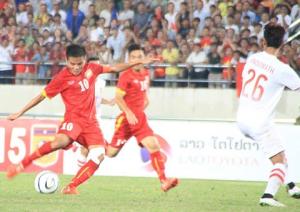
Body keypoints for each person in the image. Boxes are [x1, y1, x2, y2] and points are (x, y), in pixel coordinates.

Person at [6, 44, 154, 195]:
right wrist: (20, 112)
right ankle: (22, 164)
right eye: (72, 64)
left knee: (99, 154)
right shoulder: (61, 78)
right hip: (73, 120)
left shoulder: (92, 68)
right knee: (60, 142)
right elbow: (40, 97)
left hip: (91, 124)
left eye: (79, 63)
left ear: (85, 60)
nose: (76, 67)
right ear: (66, 60)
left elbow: (115, 68)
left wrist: (136, 63)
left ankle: (71, 186)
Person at [237, 23, 300, 207]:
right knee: (278, 160)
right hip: (260, 122)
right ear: (282, 44)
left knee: (279, 151)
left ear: (263, 41)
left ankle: (290, 186)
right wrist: (292, 59)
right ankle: (268, 196)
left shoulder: (252, 58)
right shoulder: (282, 69)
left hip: (242, 117)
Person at [105, 44, 178, 192]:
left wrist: (142, 106)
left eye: (139, 57)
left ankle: (164, 181)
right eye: (133, 57)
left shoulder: (145, 73)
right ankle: (93, 140)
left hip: (139, 119)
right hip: (126, 120)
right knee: (110, 153)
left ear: (143, 58)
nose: (137, 60)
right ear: (129, 59)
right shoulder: (125, 76)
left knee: (154, 146)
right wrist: (129, 113)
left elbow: (145, 96)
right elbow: (118, 98)